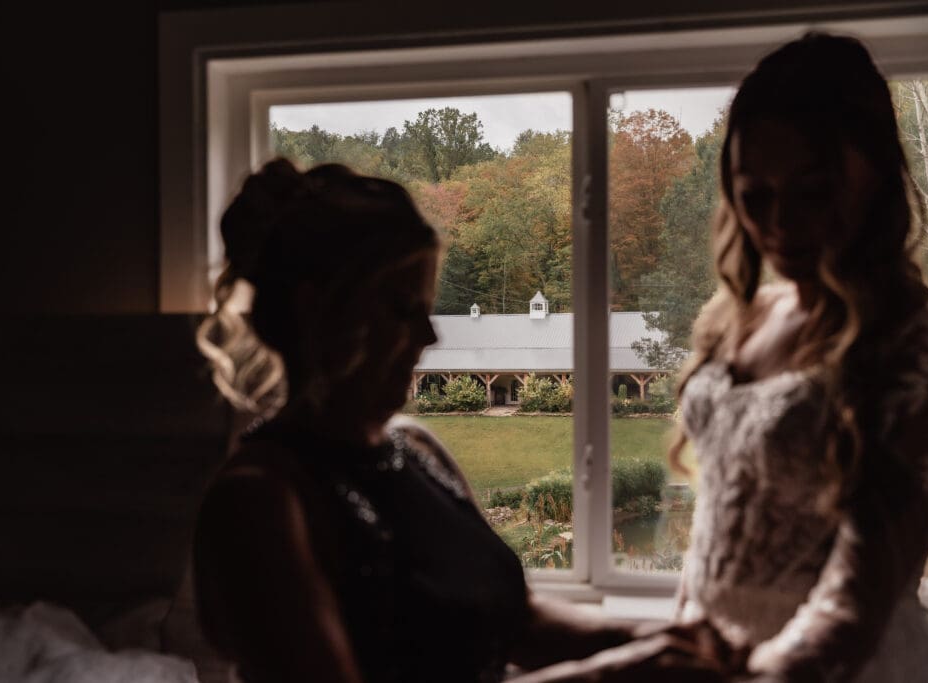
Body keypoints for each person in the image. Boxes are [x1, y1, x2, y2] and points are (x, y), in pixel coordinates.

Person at [190, 159, 728, 682]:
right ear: (320, 314)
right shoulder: (260, 501)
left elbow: (516, 621)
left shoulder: (417, 451)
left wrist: (661, 639)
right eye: (404, 310)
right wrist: (608, 674)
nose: (430, 338)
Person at [663, 32, 928, 681]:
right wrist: (675, 643)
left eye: (813, 192)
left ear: (874, 174)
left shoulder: (916, 338)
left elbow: (854, 599)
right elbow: (711, 536)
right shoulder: (740, 315)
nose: (781, 223)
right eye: (754, 195)